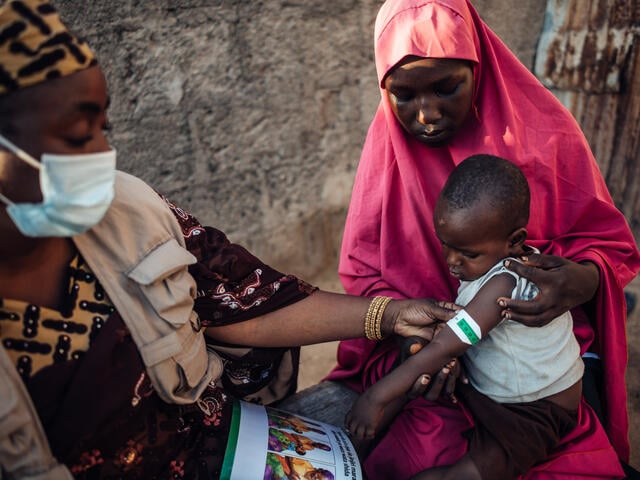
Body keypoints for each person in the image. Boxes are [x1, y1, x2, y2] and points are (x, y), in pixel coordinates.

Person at [0, 1, 455, 478]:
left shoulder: (131, 213)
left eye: (103, 127)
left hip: (223, 449)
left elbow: (242, 304)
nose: (103, 155)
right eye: (76, 136)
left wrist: (392, 314)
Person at [280, 0, 640, 478]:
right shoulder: (386, 155)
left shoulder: (546, 137)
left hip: (538, 365)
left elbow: (607, 243)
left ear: (479, 69)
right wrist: (412, 341)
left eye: (446, 88)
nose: (426, 114)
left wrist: (585, 280)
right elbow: (365, 274)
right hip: (436, 361)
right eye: (401, 95)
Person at [346, 154, 585, 479]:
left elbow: (448, 345)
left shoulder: (507, 279)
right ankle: (350, 455)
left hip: (537, 410)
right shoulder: (489, 257)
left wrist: (377, 396)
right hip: (496, 391)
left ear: (514, 241)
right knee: (411, 371)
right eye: (445, 245)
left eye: (468, 254)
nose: (453, 261)